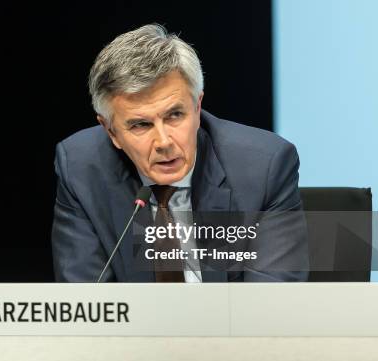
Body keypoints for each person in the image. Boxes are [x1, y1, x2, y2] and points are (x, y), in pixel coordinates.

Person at [51, 24, 309, 282]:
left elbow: (272, 303)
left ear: (197, 107)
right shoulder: (81, 168)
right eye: (141, 124)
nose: (163, 142)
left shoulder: (264, 167)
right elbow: (87, 307)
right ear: (111, 132)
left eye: (175, 115)